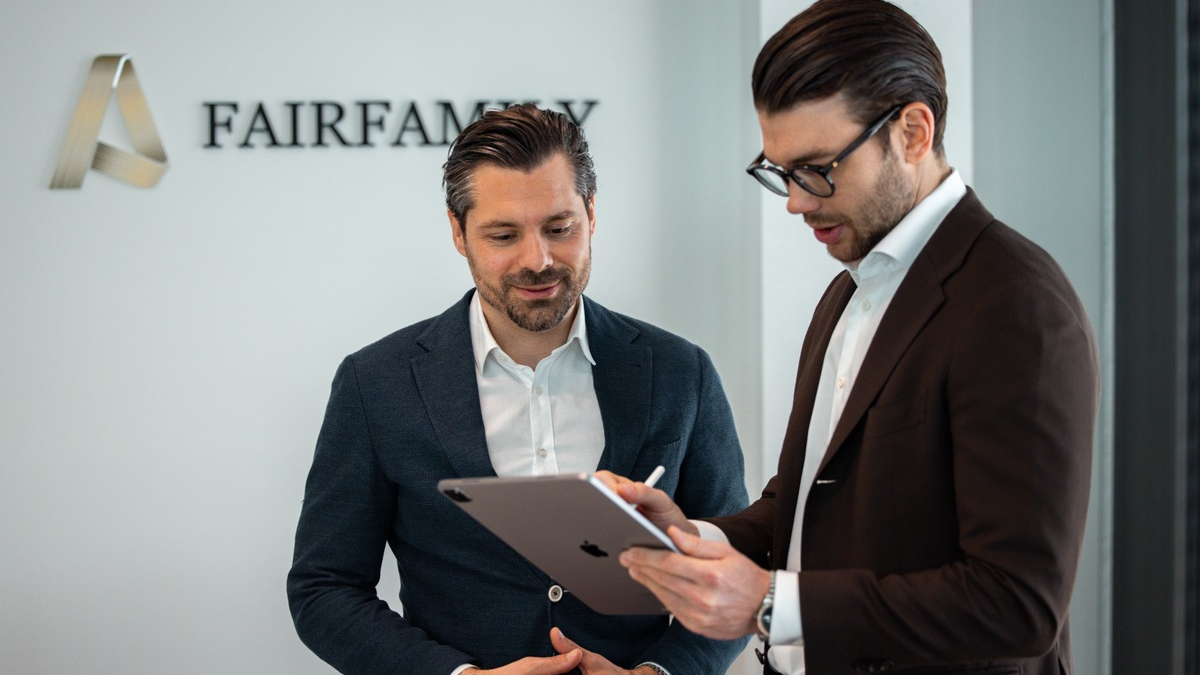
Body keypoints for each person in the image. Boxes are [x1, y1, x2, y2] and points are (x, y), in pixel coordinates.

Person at [606, 2, 1101, 674]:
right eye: (780, 171)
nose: (795, 202)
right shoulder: (849, 289)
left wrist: (770, 602)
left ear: (913, 132)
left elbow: (1019, 602)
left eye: (816, 168)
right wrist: (693, 536)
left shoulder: (1016, 304)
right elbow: (811, 499)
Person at [287, 103, 749, 675]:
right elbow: (324, 587)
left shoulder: (682, 371)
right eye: (504, 234)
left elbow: (734, 562)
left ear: (592, 214)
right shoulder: (375, 383)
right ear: (458, 232)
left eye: (560, 228)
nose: (540, 260)